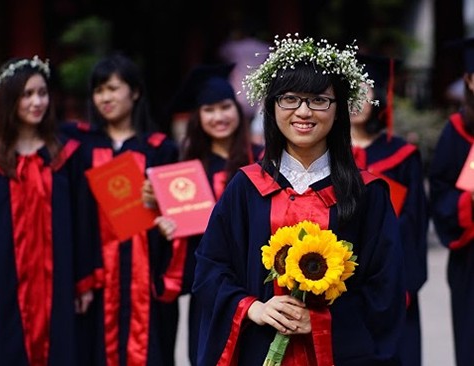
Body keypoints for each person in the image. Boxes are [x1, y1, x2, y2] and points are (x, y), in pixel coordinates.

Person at [191, 34, 406, 366]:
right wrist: (253, 307)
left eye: (319, 100)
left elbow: (385, 290)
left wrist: (321, 323)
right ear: (272, 106)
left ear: (339, 110)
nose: (303, 111)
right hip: (259, 348)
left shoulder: (367, 193)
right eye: (289, 99)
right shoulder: (247, 188)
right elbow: (210, 268)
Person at [0, 56, 99, 365]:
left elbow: (83, 222)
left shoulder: (66, 155)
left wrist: (84, 279)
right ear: (9, 100)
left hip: (59, 279)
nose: (37, 102)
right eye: (27, 94)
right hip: (6, 282)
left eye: (42, 93)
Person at [62, 52, 182, 366]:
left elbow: (181, 215)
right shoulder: (81, 149)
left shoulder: (160, 148)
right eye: (99, 90)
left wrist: (161, 204)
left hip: (147, 273)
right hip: (97, 275)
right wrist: (81, 276)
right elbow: (73, 215)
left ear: (135, 92)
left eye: (113, 88)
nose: (105, 97)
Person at [151, 63, 264, 365]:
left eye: (225, 107)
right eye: (209, 110)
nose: (219, 117)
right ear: (198, 118)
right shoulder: (186, 169)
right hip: (210, 286)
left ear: (237, 111)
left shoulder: (264, 159)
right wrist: (167, 228)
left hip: (256, 280)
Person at [350, 54, 429, 366]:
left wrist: (404, 281)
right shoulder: (327, 156)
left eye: (364, 90)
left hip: (393, 274)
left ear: (378, 96)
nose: (356, 100)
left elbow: (415, 222)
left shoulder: (402, 155)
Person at [428, 37, 474, 366]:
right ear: (470, 80)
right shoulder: (457, 131)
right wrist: (468, 199)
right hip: (471, 258)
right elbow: (440, 194)